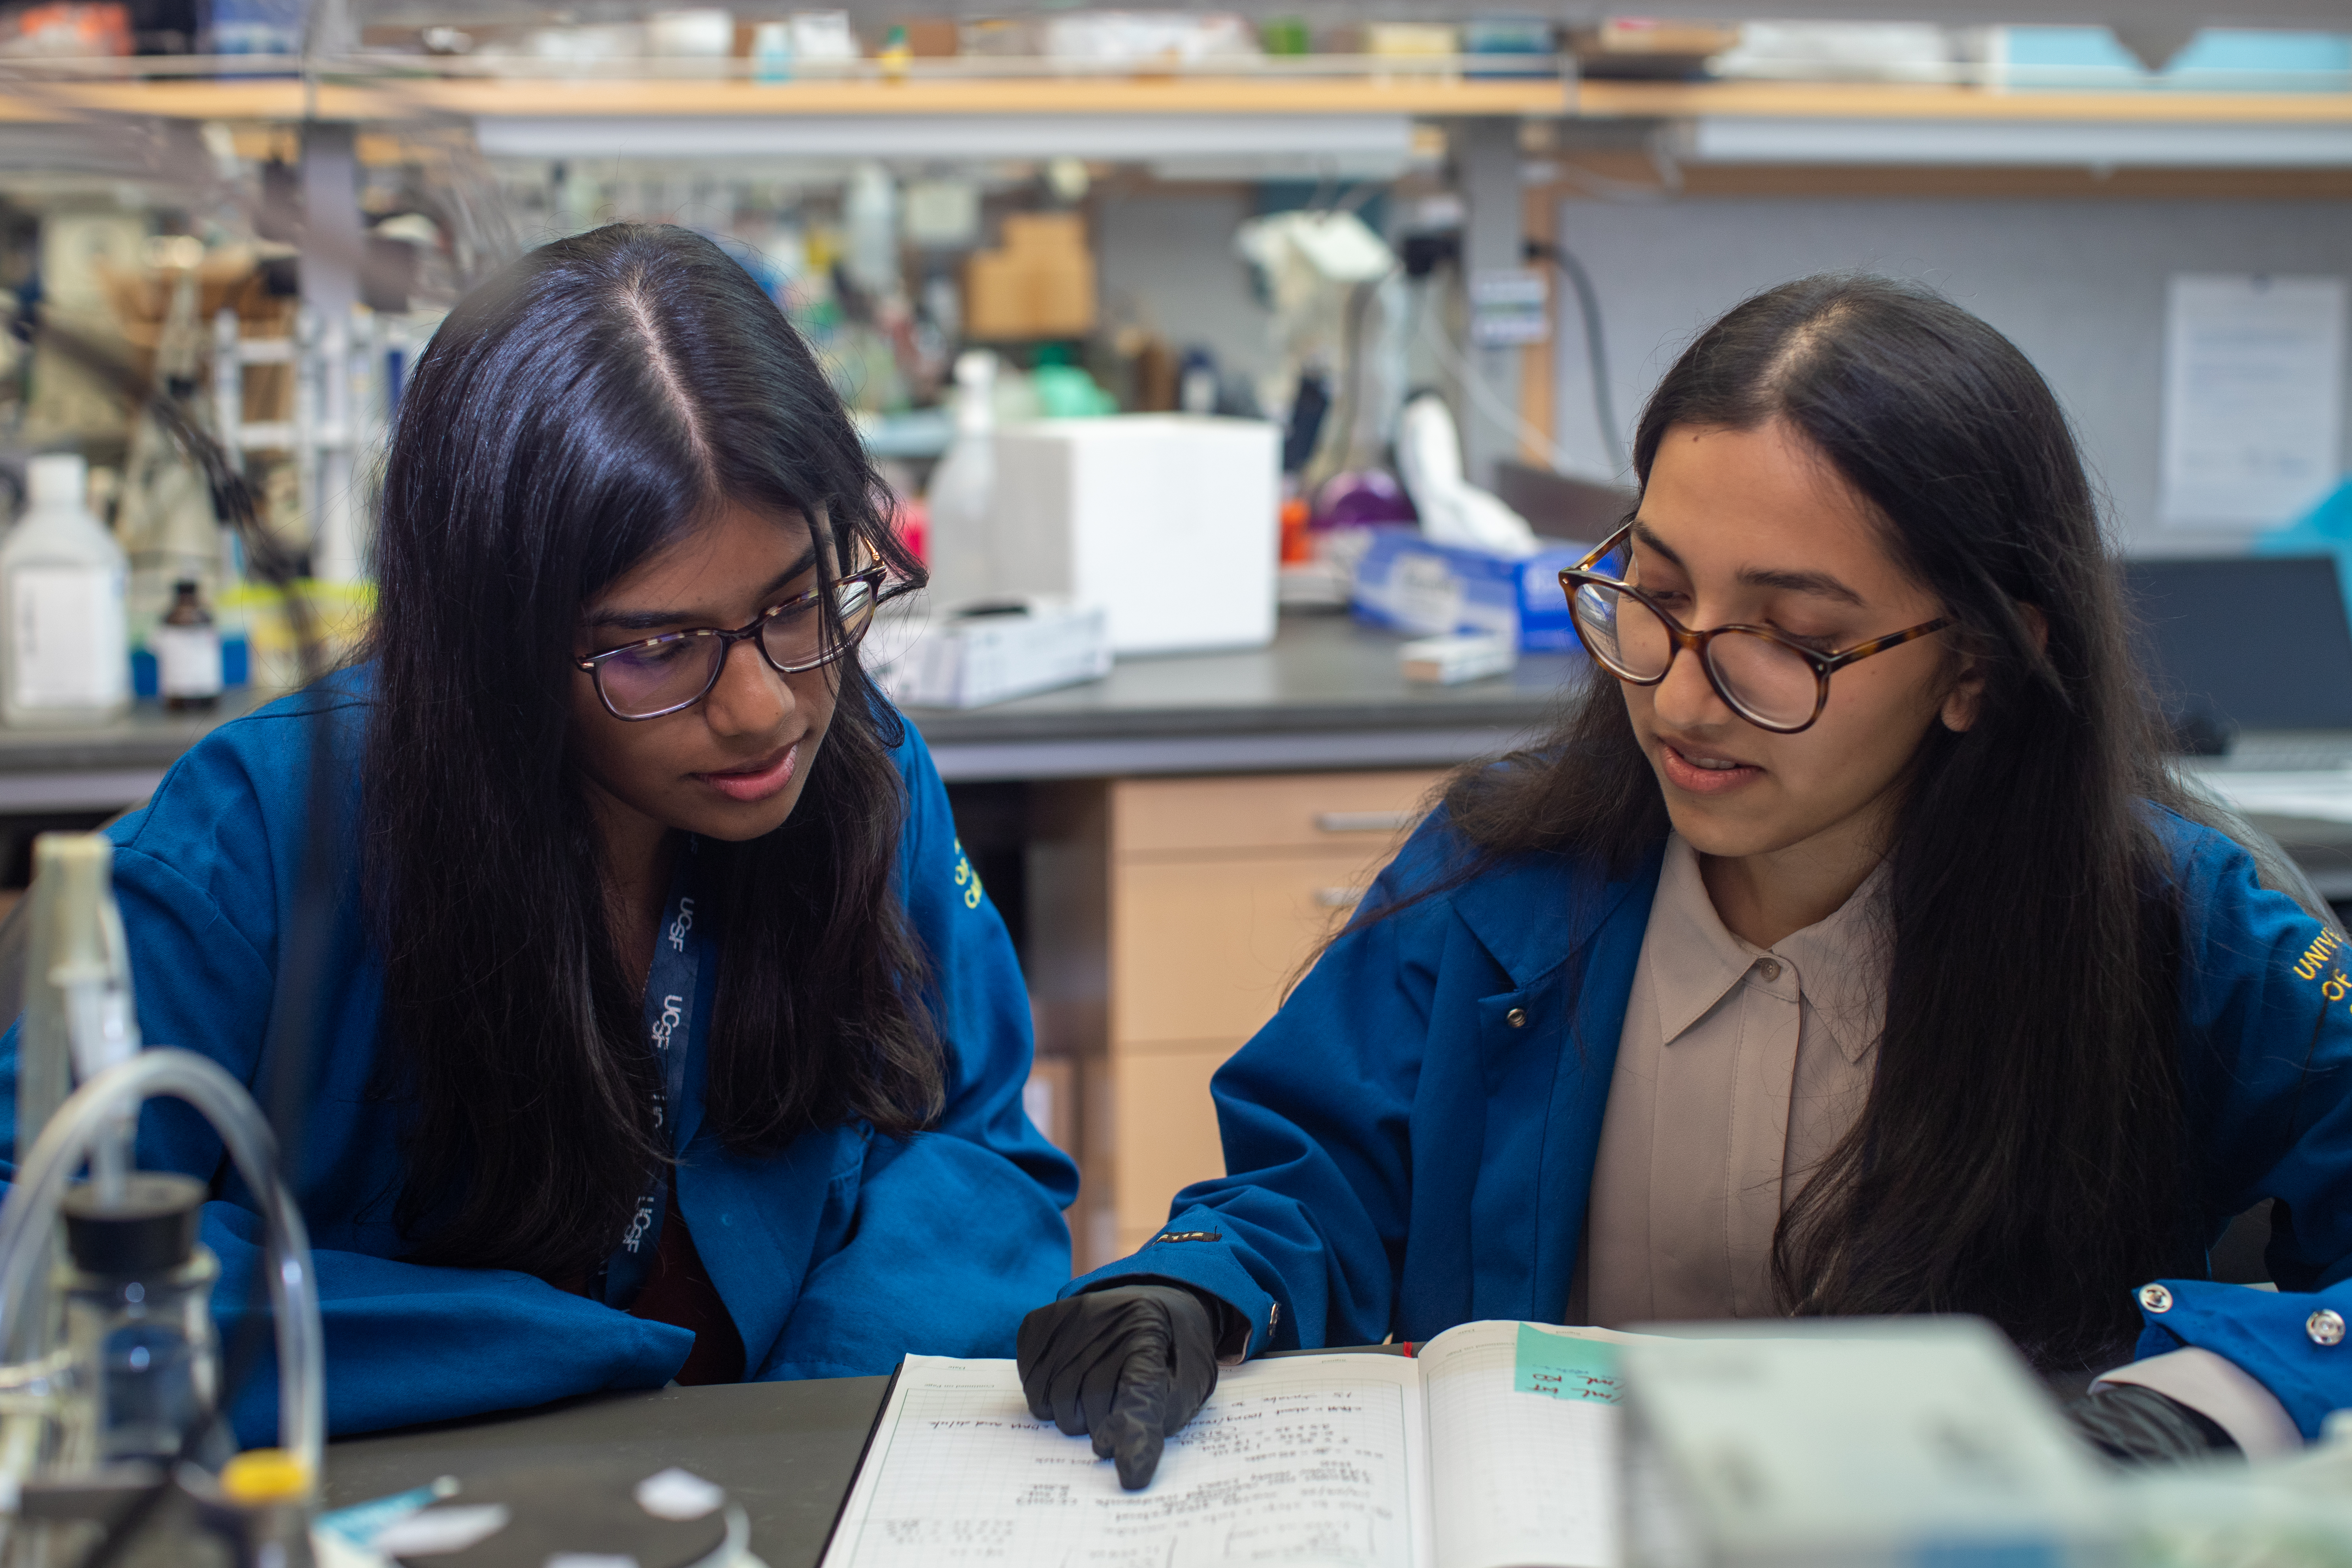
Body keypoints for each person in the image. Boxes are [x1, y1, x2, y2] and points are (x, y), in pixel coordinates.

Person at [1017, 273, 2352, 1489]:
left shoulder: (2171, 929)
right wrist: (1188, 1290)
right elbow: (1317, 1183)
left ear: (1977, 665)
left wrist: (2210, 1394)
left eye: (1792, 637)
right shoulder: (1504, 878)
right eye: (1650, 591)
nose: (1681, 691)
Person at [0, 223, 1077, 1443]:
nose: (766, 705)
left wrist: (799, 1426)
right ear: (491, 643)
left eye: (799, 601)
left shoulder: (856, 769)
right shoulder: (260, 837)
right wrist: (537, 1356)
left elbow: (983, 1153)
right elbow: (35, 1240)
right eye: (656, 647)